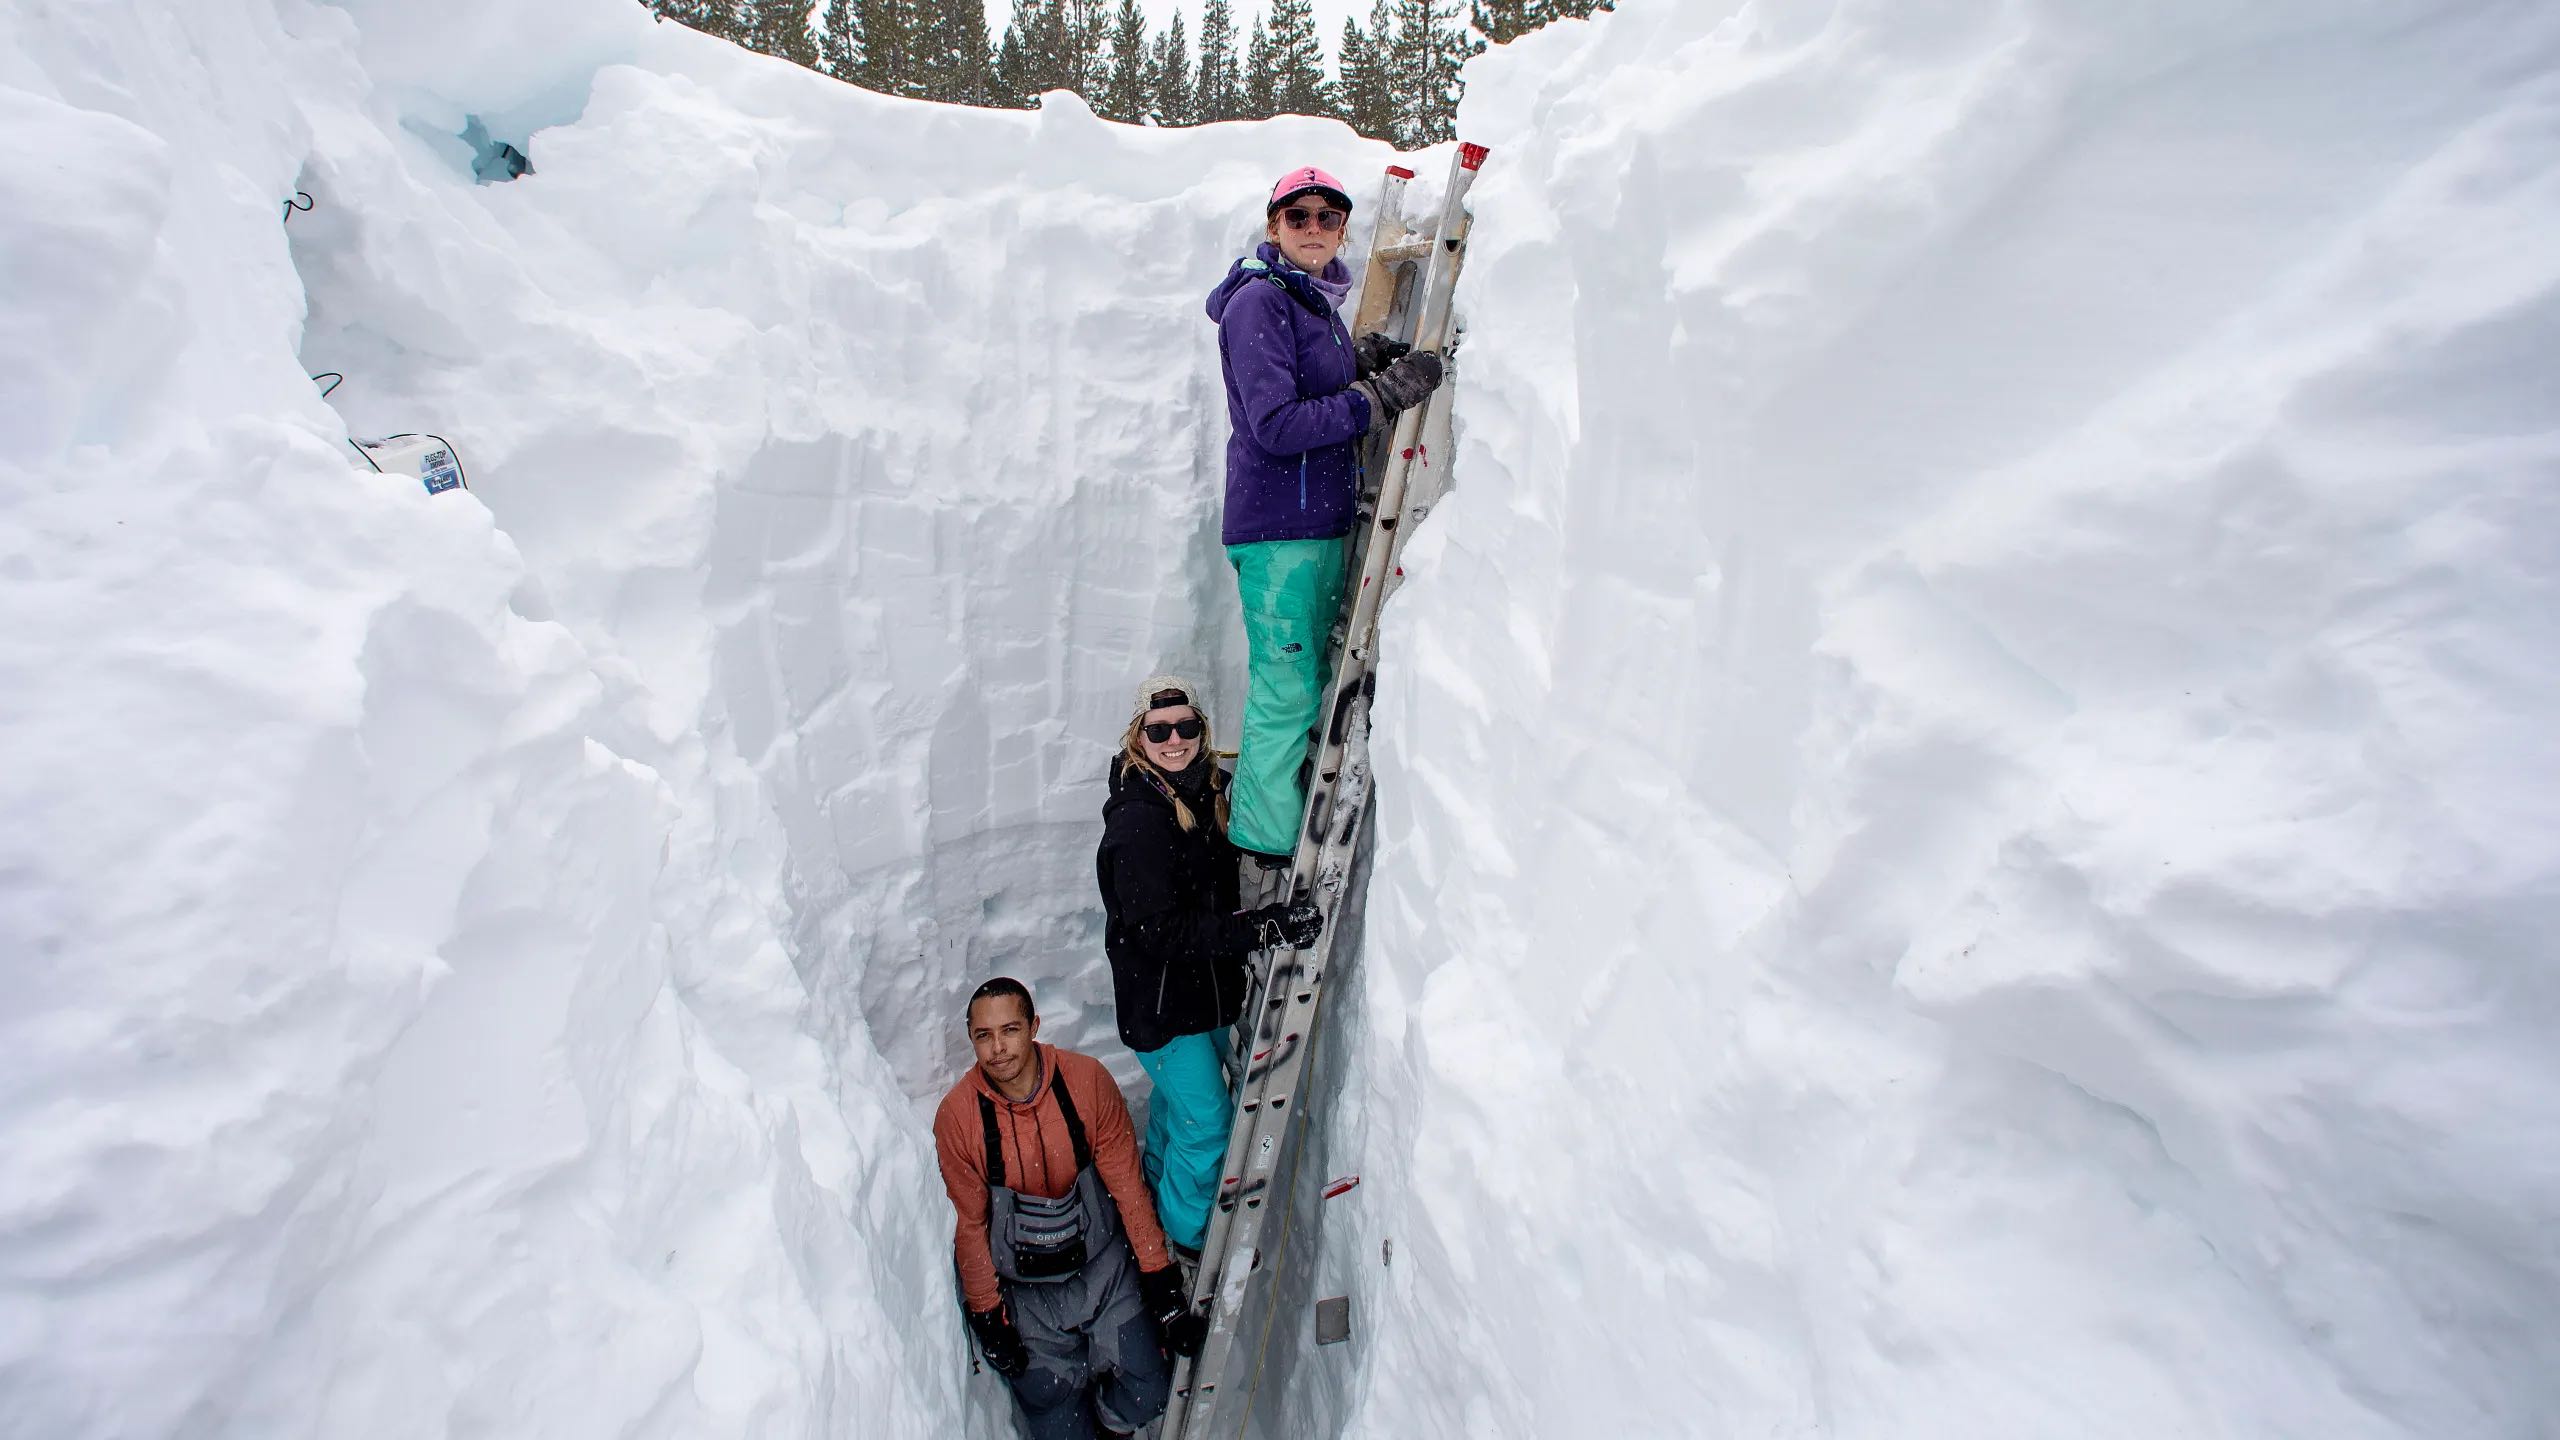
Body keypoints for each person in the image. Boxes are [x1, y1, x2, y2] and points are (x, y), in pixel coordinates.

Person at [1204, 165, 1446, 866]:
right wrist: (1375, 398)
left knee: (1299, 684)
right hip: (1282, 531)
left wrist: (1356, 363)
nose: (1315, 227)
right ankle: (1263, 850)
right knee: (1285, 692)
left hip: (1311, 526)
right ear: (1273, 226)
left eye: (1328, 216)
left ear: (1342, 228)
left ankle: (1271, 826)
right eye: (1298, 215)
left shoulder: (1308, 302)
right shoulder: (1261, 301)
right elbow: (1276, 423)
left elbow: (1301, 383)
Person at [1096, 676, 1323, 1255]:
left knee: (1179, 1114)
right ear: (1136, 736)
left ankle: (1153, 1198)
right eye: (1159, 730)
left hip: (1204, 997)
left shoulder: (1205, 788)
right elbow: (1161, 932)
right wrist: (1261, 926)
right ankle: (1183, 1240)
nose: (1175, 740)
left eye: (1186, 727)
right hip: (1166, 1010)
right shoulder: (1138, 821)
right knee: (1209, 1127)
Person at [934, 978, 1205, 1439]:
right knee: (1052, 1410)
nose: (998, 1048)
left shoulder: (1085, 1082)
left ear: (1034, 1026)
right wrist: (988, 1316)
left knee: (1149, 1393)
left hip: (1104, 1269)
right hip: (1027, 1292)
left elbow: (1127, 1187)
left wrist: (1160, 1281)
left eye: (1010, 1030)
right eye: (984, 1036)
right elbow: (970, 1225)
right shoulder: (958, 1118)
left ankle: (1112, 1425)